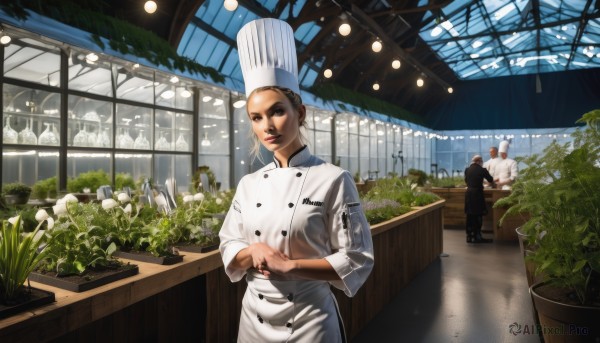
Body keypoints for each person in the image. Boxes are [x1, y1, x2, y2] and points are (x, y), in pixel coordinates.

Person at [219, 18, 374, 343]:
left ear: (300, 113)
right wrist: (255, 250)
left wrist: (291, 268)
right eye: (256, 118)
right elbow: (229, 244)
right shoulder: (248, 184)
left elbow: (356, 257)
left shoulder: (333, 179)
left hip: (309, 322)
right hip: (252, 322)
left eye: (277, 111)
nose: (267, 126)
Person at [464, 154, 494, 243]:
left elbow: (467, 181)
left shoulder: (467, 170)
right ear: (479, 161)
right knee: (478, 215)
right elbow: (490, 180)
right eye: (481, 162)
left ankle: (469, 236)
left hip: (469, 194)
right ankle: (477, 236)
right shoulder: (482, 170)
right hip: (477, 195)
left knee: (469, 215)